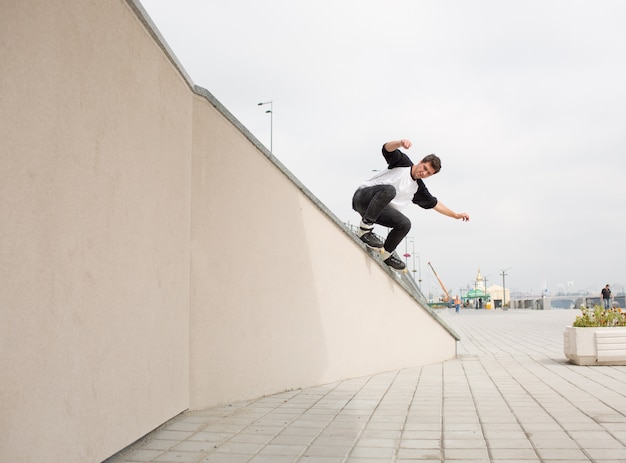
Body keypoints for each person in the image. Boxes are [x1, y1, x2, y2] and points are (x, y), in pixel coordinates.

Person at [352, 139, 470, 270]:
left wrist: (455, 215)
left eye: (428, 173)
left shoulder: (418, 189)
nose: (423, 173)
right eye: (424, 168)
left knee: (405, 224)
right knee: (390, 190)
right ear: (420, 162)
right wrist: (399, 143)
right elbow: (386, 149)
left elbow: (435, 204)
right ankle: (364, 230)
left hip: (377, 211)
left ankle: (386, 254)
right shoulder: (402, 163)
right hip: (362, 197)